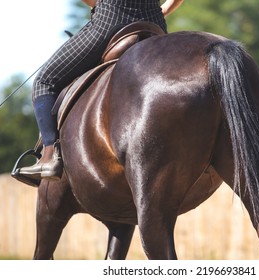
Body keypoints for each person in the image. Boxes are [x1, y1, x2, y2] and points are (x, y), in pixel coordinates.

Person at [16, 0, 184, 182]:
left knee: (44, 81)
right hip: (154, 23)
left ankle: (49, 156)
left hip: (110, 19)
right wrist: (165, 8)